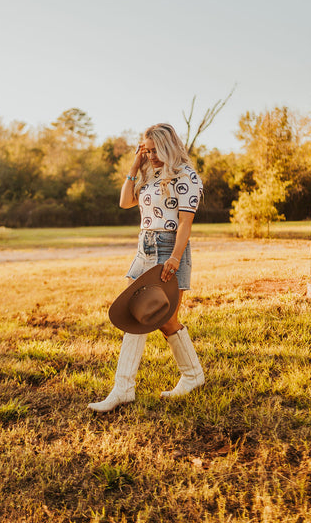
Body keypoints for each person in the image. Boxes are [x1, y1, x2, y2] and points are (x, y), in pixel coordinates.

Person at [88, 123, 204, 412]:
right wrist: (134, 165)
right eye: (147, 150)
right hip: (144, 247)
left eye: (155, 151)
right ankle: (127, 388)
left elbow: (185, 225)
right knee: (137, 314)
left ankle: (189, 377)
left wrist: (174, 259)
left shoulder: (186, 176)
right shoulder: (150, 173)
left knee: (164, 320)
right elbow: (125, 201)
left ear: (168, 147)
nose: (151, 156)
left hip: (168, 248)